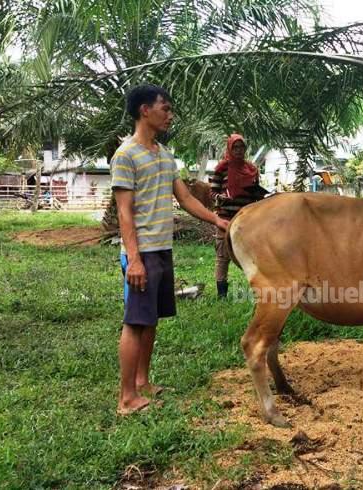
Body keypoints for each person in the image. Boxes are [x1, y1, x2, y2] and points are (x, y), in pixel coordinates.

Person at [111, 84, 230, 415]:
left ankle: (142, 383)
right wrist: (133, 260)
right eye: (165, 107)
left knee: (150, 321)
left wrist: (216, 221)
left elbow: (186, 198)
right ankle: (126, 398)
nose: (170, 114)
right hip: (142, 252)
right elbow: (124, 212)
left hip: (162, 249)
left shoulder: (164, 155)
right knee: (135, 321)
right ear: (145, 111)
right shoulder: (125, 155)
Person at [209, 133, 265, 298]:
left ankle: (256, 290)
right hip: (225, 218)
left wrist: (259, 197)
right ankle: (222, 294)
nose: (239, 150)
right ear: (230, 148)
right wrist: (220, 198)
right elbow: (212, 191)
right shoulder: (221, 168)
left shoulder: (251, 169)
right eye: (236, 147)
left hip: (246, 219)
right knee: (222, 255)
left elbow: (256, 192)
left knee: (251, 254)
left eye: (242, 147)